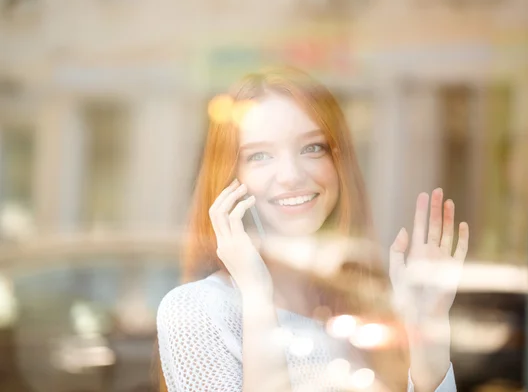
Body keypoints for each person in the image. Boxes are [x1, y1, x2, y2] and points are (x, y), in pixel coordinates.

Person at [156, 66, 469, 392]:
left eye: (312, 148)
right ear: (229, 179)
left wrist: (426, 331)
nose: (291, 175)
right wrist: (257, 296)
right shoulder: (198, 311)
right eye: (259, 156)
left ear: (339, 161)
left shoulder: (359, 310)